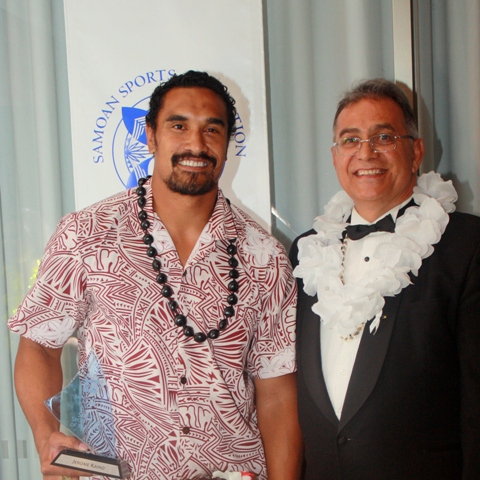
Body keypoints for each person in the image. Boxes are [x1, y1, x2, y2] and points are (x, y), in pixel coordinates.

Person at [9, 70, 303, 480]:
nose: (195, 144)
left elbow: (276, 395)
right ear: (151, 136)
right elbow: (39, 346)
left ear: (226, 142)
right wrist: (46, 436)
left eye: (211, 129)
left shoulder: (265, 256)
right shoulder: (86, 233)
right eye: (179, 125)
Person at [289, 78, 480, 479]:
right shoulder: (306, 252)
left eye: (384, 136)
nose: (366, 152)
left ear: (416, 151)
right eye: (350, 139)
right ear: (335, 155)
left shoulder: (466, 246)